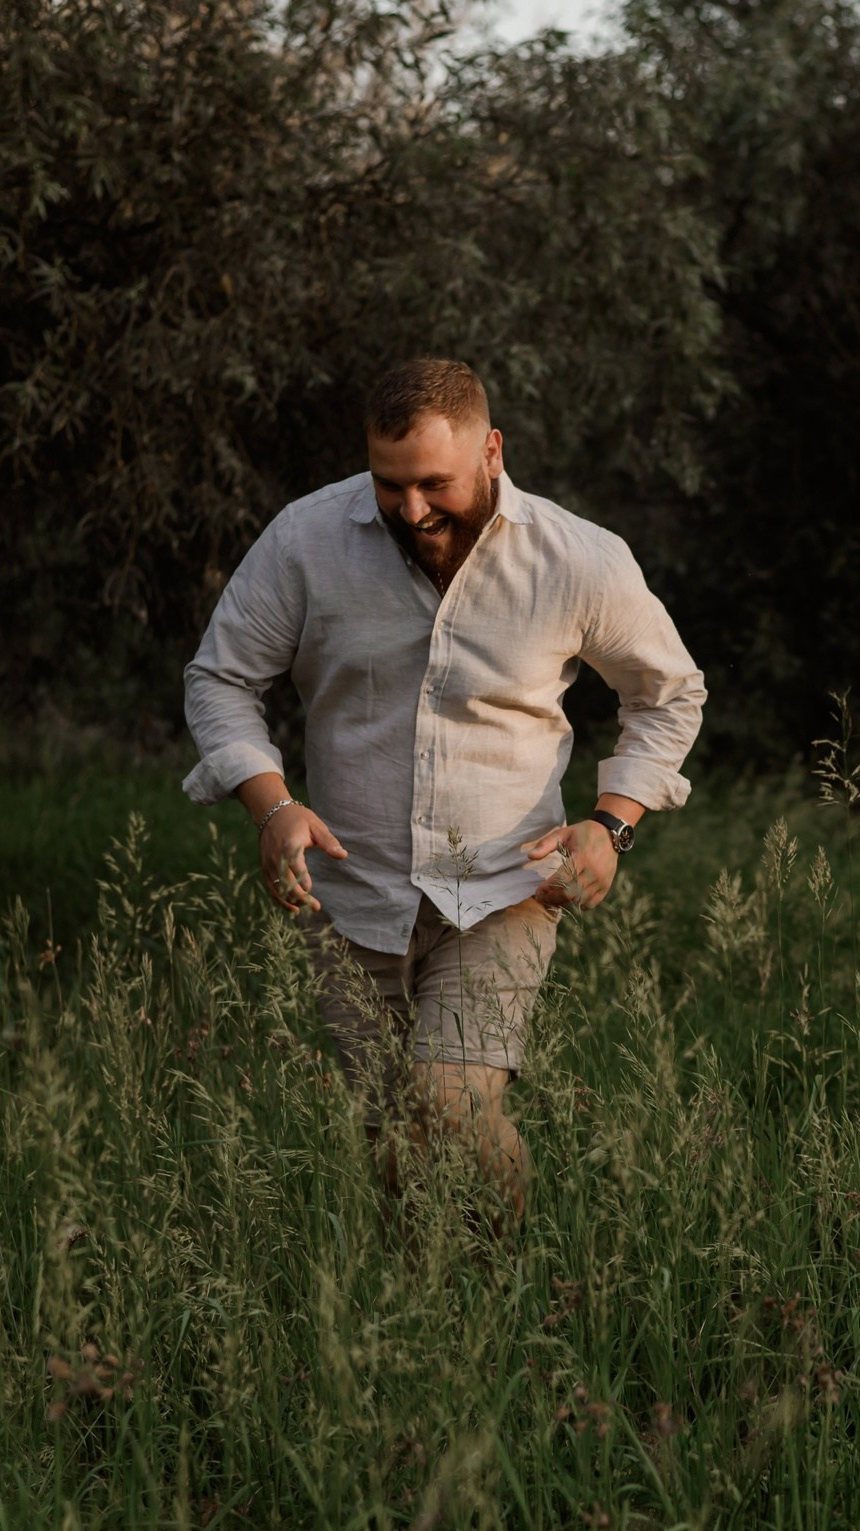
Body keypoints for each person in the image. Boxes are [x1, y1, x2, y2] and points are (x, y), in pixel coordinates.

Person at [182, 358, 706, 1225]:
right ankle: (425, 1316)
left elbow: (668, 692)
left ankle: (510, 1291)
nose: (413, 509)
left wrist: (611, 827)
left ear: (492, 450)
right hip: (350, 890)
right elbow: (219, 678)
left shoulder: (576, 558)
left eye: (436, 483)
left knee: (450, 1103)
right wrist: (271, 806)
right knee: (390, 1135)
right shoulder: (305, 541)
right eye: (391, 485)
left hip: (507, 885)